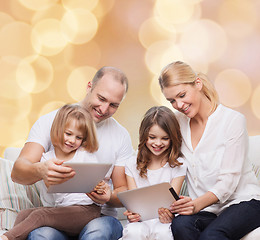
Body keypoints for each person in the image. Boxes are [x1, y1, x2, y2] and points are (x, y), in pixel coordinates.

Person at [11, 67, 134, 240]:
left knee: (98, 232)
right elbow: (18, 172)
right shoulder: (51, 122)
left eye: (113, 105)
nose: (104, 109)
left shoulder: (120, 136)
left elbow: (123, 191)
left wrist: (108, 196)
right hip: (57, 218)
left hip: (99, 217)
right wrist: (41, 170)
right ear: (89, 86)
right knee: (41, 235)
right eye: (101, 98)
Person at [158, 61, 260, 240]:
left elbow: (228, 182)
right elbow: (160, 159)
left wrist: (195, 205)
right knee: (180, 225)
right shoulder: (178, 123)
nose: (179, 104)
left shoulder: (232, 121)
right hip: (207, 209)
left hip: (243, 202)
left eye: (182, 95)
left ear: (198, 84)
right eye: (172, 100)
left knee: (212, 235)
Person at [1, 104, 110, 240]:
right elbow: (49, 196)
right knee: (24, 214)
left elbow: (97, 183)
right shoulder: (46, 159)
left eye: (78, 137)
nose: (72, 140)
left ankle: (6, 238)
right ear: (58, 130)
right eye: (68, 134)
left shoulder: (85, 156)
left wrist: (101, 188)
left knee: (40, 215)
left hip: (87, 210)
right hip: (62, 211)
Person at [122, 106, 187, 240]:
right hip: (140, 221)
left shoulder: (178, 164)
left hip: (163, 221)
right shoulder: (131, 163)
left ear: (172, 138)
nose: (158, 143)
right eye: (152, 137)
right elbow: (133, 202)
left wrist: (169, 214)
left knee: (163, 233)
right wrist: (132, 214)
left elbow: (171, 203)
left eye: (165, 138)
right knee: (134, 231)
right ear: (144, 136)